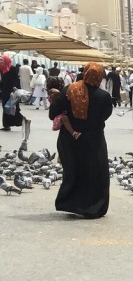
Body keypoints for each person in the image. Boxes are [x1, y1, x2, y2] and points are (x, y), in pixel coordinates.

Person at [49, 62, 113, 219]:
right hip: (93, 140)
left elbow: (53, 114)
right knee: (95, 172)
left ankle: (70, 203)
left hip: (70, 139)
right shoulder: (104, 96)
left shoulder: (69, 90)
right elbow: (104, 116)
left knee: (74, 170)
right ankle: (93, 207)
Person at [1, 53, 29, 135]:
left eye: (1, 60)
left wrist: (13, 91)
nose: (0, 62)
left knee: (13, 109)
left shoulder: (12, 69)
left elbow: (15, 80)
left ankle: (23, 120)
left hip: (11, 92)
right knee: (5, 108)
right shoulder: (2, 69)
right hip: (4, 91)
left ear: (6, 61)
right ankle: (6, 125)